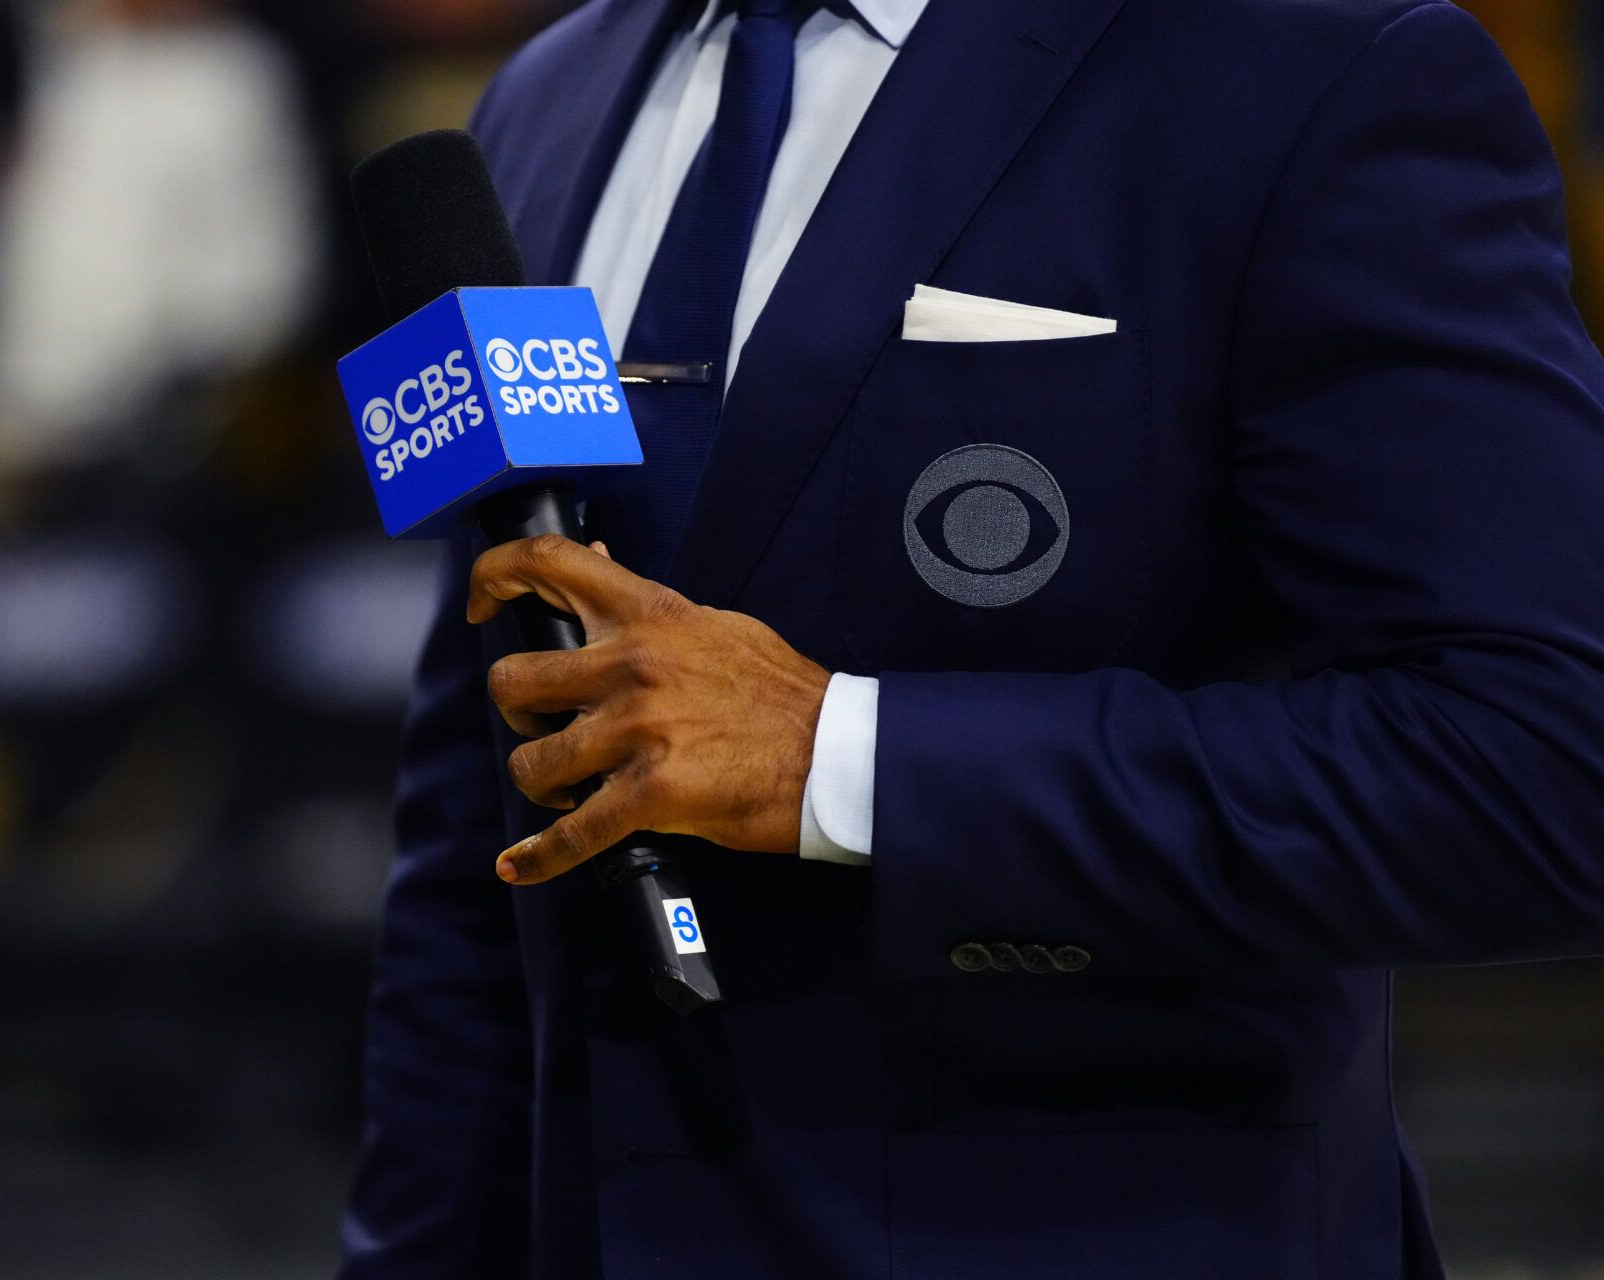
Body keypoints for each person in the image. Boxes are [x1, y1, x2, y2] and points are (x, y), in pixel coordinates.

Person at [340, 1, 1604, 1275]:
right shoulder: (543, 101)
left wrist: (842, 756)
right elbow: (482, 822)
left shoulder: (1311, 61)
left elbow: (1544, 766)